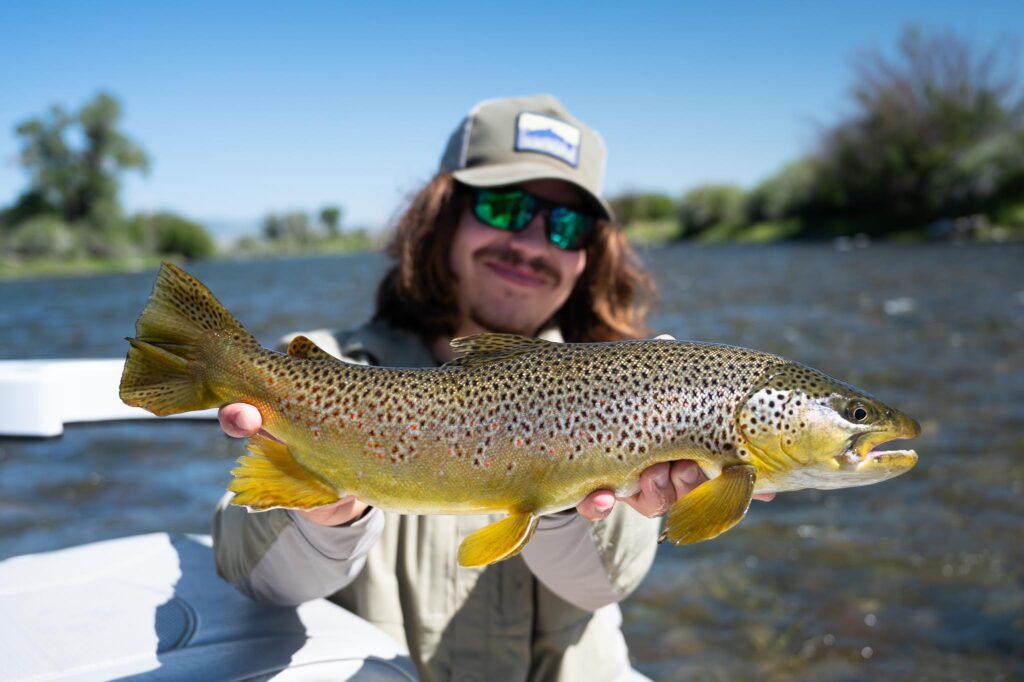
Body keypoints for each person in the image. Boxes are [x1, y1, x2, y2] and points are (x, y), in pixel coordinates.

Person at [212, 94, 772, 681]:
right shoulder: (322, 368)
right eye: (504, 207)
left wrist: (566, 478)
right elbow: (252, 575)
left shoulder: (642, 395)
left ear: (589, 254)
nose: (531, 244)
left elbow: (601, 586)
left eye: (565, 225)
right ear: (442, 213)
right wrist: (323, 511)